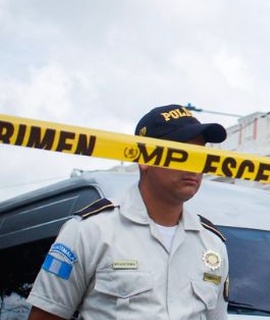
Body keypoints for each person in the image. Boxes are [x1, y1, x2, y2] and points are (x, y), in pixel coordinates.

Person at [27, 104, 230, 320]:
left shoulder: (212, 244)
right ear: (145, 158)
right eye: (183, 154)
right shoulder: (90, 230)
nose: (193, 167)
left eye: (201, 156)